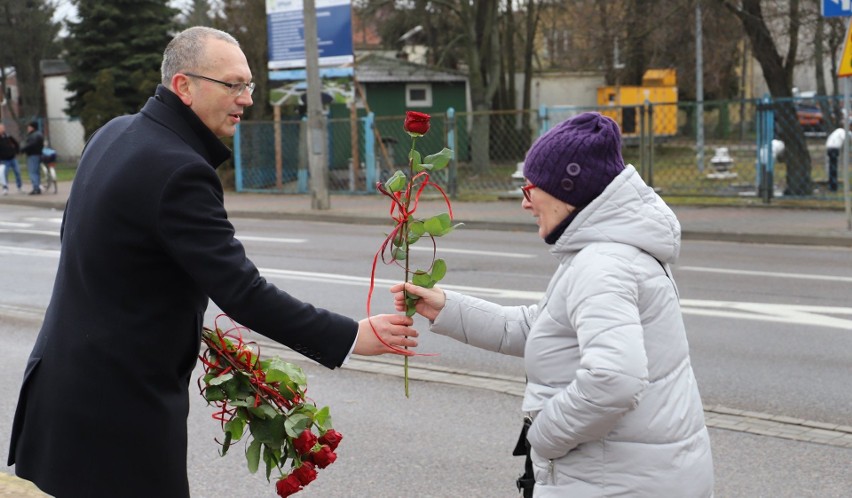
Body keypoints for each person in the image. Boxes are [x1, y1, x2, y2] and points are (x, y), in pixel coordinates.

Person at [7, 26, 418, 498]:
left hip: (63, 390)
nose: (245, 98)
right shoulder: (180, 169)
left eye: (248, 85)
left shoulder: (114, 133)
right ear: (184, 86)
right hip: (118, 411)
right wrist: (349, 336)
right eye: (233, 85)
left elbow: (108, 256)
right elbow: (243, 293)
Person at [393, 112, 714, 497]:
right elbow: (543, 328)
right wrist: (446, 307)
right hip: (638, 474)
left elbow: (614, 380)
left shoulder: (602, 265)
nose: (525, 204)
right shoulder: (606, 254)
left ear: (567, 190)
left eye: (530, 189)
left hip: (613, 481)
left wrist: (544, 437)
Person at [20, 120, 44, 195]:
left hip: (32, 155)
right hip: (38, 154)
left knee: (33, 172)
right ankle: (37, 187)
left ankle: (36, 188)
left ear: (32, 127)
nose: (28, 128)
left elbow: (31, 145)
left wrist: (23, 149)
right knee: (36, 172)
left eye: (29, 127)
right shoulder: (39, 134)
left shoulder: (33, 135)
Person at [0, 122, 22, 195]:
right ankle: (5, 188)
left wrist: (16, 151)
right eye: (1, 128)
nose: (2, 129)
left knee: (17, 172)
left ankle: (19, 187)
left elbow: (16, 144)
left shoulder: (8, 136)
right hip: (3, 159)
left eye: (3, 128)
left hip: (12, 158)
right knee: (4, 174)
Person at [825, 127, 849, 192]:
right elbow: (846, 139)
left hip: (830, 148)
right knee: (833, 169)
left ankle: (832, 186)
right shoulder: (842, 131)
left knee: (832, 168)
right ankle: (833, 187)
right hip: (834, 149)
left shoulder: (838, 131)